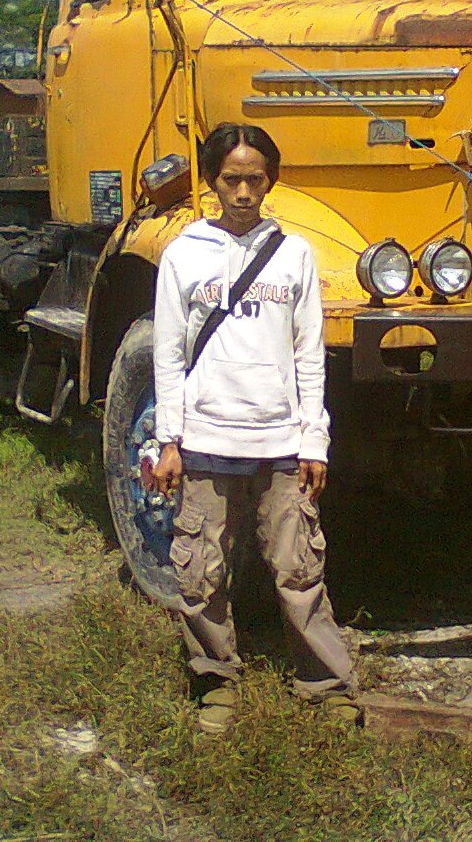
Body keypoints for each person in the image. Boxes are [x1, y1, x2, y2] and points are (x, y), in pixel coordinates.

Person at [148, 122, 358, 734]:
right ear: (212, 181)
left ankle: (325, 684)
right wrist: (170, 441)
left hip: (281, 443)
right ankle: (216, 681)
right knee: (202, 571)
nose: (243, 192)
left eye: (255, 179)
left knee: (299, 572)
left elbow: (310, 354)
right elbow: (167, 354)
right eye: (231, 179)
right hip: (207, 442)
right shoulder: (184, 253)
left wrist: (313, 439)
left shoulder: (294, 254)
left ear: (272, 181)